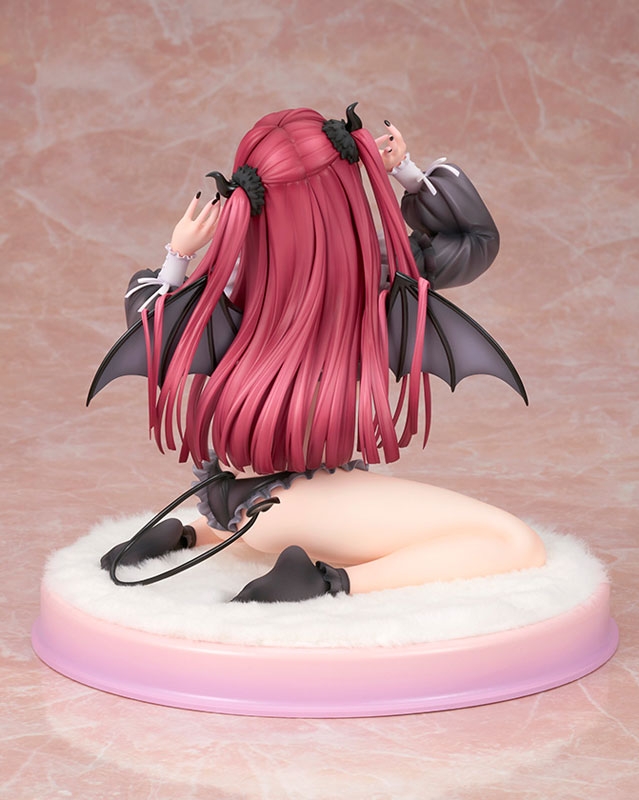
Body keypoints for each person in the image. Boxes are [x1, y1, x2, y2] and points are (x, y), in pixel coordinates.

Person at [98, 105, 546, 602]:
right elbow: (475, 240)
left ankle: (190, 534)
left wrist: (178, 256)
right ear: (347, 189)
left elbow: (154, 325)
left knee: (317, 511)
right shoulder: (376, 274)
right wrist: (403, 172)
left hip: (233, 489)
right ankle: (326, 583)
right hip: (301, 500)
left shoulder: (233, 283)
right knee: (512, 542)